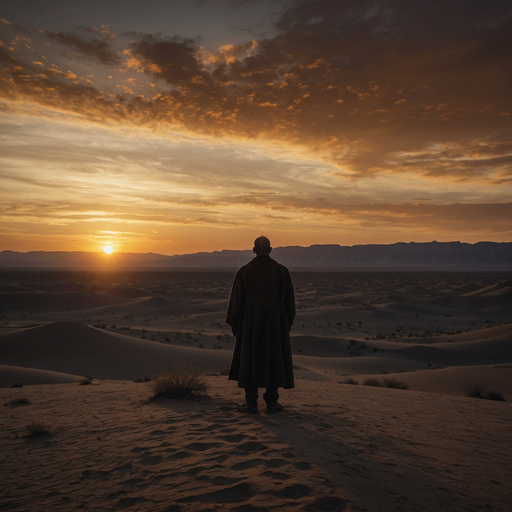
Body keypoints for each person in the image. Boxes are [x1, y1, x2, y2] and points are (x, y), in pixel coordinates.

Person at [226, 235, 295, 413]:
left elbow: (236, 302)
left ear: (254, 250)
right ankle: (272, 402)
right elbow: (290, 303)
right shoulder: (282, 271)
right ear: (270, 250)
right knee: (274, 358)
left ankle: (250, 403)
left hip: (250, 323)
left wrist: (237, 324)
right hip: (276, 322)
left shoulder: (244, 271)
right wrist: (285, 323)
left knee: (250, 357)